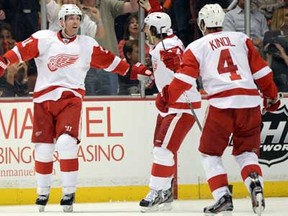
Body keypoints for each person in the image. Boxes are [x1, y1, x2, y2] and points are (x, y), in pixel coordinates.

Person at [0, 4, 150, 212]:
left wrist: (134, 71)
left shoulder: (87, 44)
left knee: (66, 142)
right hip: (43, 100)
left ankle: (68, 192)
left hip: (70, 99)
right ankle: (42, 192)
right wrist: (4, 62)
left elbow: (112, 62)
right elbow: (19, 51)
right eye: (70, 18)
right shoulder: (44, 38)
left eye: (78, 18)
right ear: (61, 22)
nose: (75, 22)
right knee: (43, 149)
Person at [160, 3, 280, 215]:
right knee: (246, 153)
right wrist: (271, 96)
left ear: (203, 23)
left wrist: (166, 98)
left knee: (209, 154)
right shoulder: (241, 39)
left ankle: (222, 196)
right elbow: (262, 72)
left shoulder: (196, 46)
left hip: (222, 106)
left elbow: (184, 78)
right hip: (250, 104)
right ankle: (254, 182)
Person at [139, 12, 201, 212]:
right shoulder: (165, 43)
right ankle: (165, 190)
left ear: (156, 30)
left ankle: (156, 191)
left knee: (162, 150)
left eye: (148, 30)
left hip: (181, 105)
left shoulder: (168, 46)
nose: (145, 34)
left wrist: (178, 64)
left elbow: (181, 67)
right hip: (171, 105)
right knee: (162, 149)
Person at [84, 0, 138, 96]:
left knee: (111, 102)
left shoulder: (106, 4)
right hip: (83, 65)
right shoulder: (73, 6)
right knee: (84, 104)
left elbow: (134, 7)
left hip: (108, 64)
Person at [263, 4, 288, 92]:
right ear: (279, 18)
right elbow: (268, 59)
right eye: (286, 15)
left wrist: (283, 54)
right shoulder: (269, 35)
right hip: (275, 71)